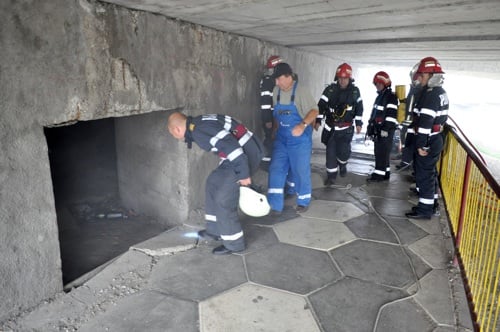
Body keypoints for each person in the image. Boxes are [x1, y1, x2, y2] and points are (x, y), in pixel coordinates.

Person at [167, 112, 264, 254]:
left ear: (177, 130)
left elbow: (233, 148)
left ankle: (234, 244)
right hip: (236, 157)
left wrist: (243, 174)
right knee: (213, 182)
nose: (174, 137)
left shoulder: (200, 130)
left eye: (172, 134)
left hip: (244, 157)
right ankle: (215, 230)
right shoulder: (199, 123)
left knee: (223, 199)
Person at [267, 63, 319, 213]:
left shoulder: (301, 91)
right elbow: (276, 114)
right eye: (275, 80)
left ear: (288, 77)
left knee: (299, 169)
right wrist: (275, 129)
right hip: (282, 137)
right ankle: (274, 203)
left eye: (279, 79)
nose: (277, 83)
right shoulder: (276, 91)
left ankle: (303, 200)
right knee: (276, 168)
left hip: (299, 138)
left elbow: (314, 111)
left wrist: (302, 125)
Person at [405, 57, 449, 220]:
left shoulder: (431, 95)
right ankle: (432, 204)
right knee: (430, 173)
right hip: (435, 139)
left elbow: (426, 123)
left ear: (431, 75)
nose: (419, 79)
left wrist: (421, 145)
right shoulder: (439, 92)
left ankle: (424, 210)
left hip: (429, 140)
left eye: (422, 76)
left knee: (424, 175)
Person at [316, 63, 364, 186]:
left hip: (346, 130)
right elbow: (321, 105)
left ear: (349, 78)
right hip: (331, 128)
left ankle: (343, 164)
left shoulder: (354, 91)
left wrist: (359, 123)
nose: (342, 81)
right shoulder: (330, 90)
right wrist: (318, 120)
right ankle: (331, 177)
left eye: (345, 78)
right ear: (337, 78)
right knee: (330, 154)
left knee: (343, 152)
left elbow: (359, 108)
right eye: (340, 78)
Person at [366, 71, 399, 182]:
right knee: (382, 152)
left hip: (386, 130)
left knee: (381, 152)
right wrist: (370, 127)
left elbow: (391, 116)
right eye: (376, 83)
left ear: (385, 84)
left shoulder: (391, 97)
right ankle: (386, 172)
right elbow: (374, 113)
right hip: (379, 129)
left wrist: (384, 130)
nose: (378, 85)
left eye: (380, 83)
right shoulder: (380, 96)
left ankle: (378, 175)